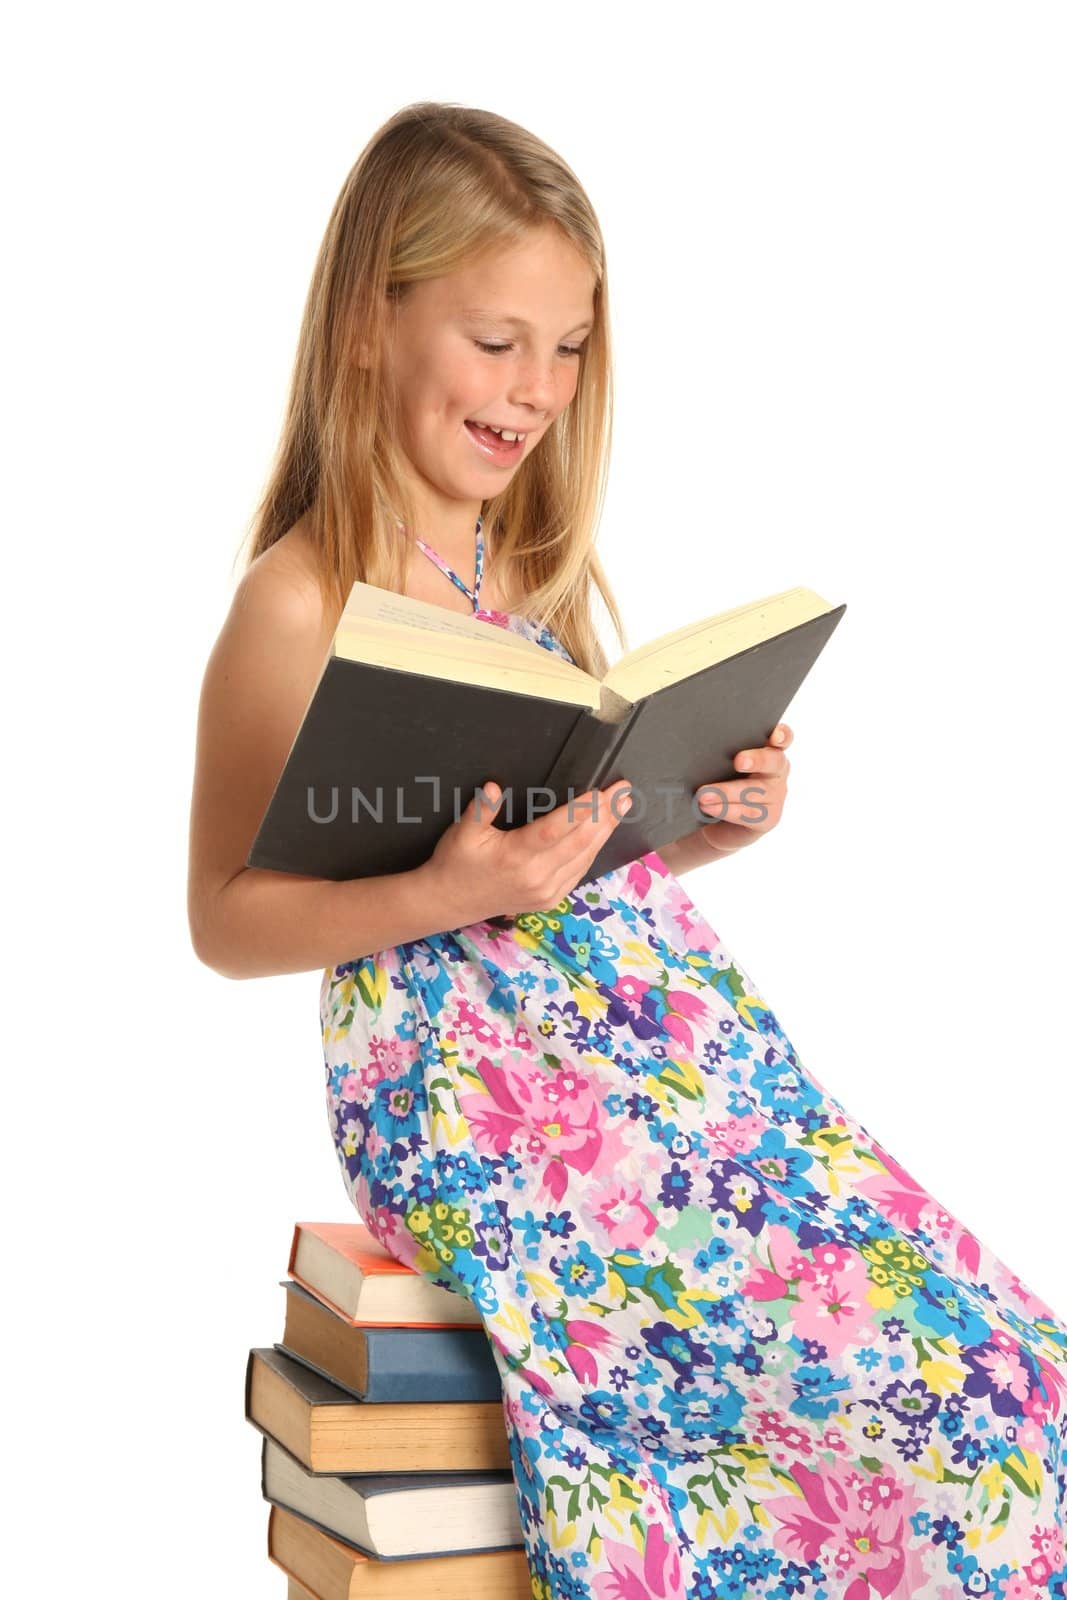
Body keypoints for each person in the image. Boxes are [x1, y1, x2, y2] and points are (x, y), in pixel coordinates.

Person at [188, 102, 1067, 1600]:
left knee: (1005, 1361)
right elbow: (226, 916)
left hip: (648, 1038)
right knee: (937, 1416)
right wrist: (442, 892)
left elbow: (548, 855)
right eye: (495, 339)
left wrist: (694, 819)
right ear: (364, 326)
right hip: (484, 1086)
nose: (535, 390)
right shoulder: (299, 600)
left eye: (569, 347)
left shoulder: (514, 562)